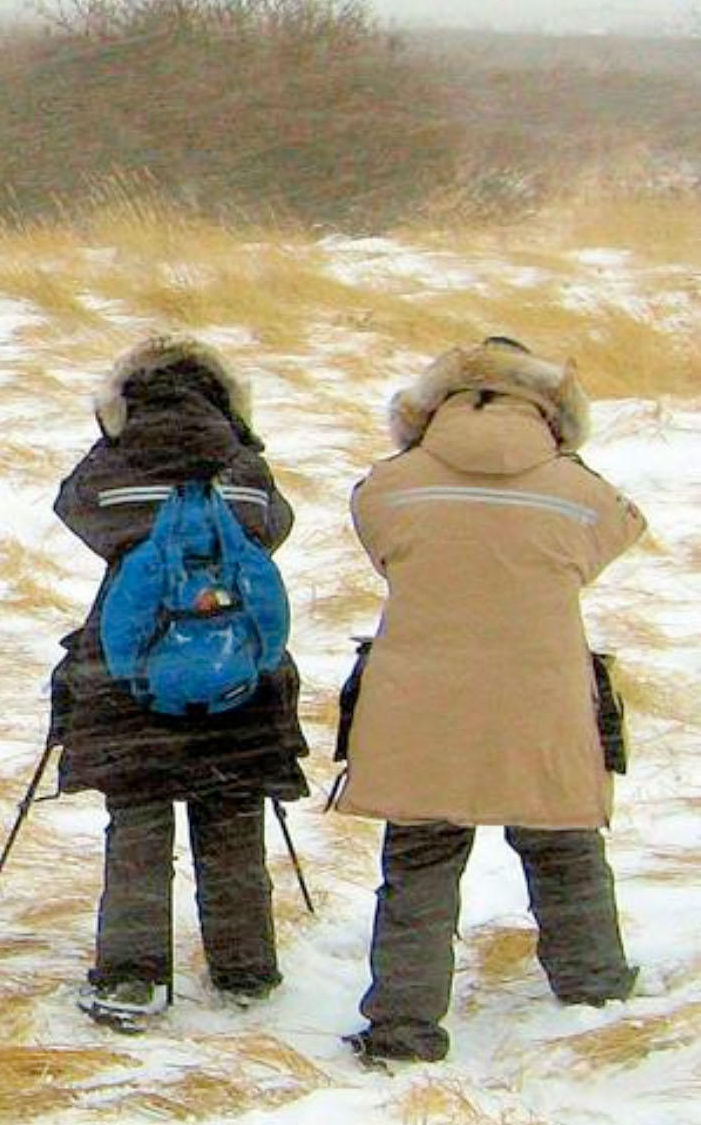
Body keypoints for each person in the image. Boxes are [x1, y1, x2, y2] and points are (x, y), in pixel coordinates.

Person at [337, 336, 646, 1064]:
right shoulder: (579, 489)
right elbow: (620, 530)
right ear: (549, 410)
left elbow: (379, 545)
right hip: (540, 695)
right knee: (564, 846)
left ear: (430, 405)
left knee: (417, 863)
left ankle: (402, 1027)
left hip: (420, 698)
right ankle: (593, 996)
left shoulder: (391, 482)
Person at [50, 335, 307, 1030]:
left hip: (127, 676)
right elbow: (273, 528)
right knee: (231, 821)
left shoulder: (113, 465)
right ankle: (244, 968)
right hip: (238, 677)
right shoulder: (244, 466)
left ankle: (131, 978)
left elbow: (74, 512)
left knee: (136, 824)